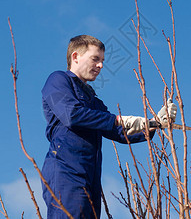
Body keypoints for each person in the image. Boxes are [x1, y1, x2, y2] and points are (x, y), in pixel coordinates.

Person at [41, 35, 177, 219]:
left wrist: (154, 124)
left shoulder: (94, 100)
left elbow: (119, 132)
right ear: (75, 57)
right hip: (66, 171)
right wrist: (119, 119)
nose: (101, 66)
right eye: (95, 59)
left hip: (91, 176)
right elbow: (71, 115)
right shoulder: (58, 80)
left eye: (102, 61)